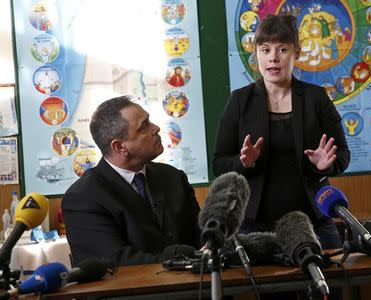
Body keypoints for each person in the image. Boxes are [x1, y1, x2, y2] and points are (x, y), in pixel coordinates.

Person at [213, 14, 350, 251]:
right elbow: (218, 164)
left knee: (329, 284)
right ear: (256, 53)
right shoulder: (239, 101)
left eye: (282, 50)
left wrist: (323, 166)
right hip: (254, 225)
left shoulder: (316, 98)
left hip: (313, 222)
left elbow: (343, 155)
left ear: (296, 52)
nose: (273, 58)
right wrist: (243, 162)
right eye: (265, 50)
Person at [62, 96, 200, 266]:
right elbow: (115, 262)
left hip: (197, 287)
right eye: (144, 126)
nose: (155, 128)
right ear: (120, 147)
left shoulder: (173, 177)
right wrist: (183, 260)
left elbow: (202, 235)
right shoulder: (83, 197)